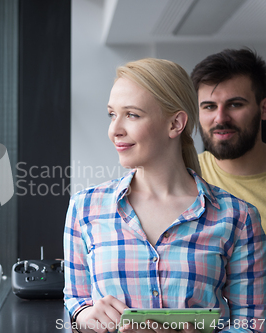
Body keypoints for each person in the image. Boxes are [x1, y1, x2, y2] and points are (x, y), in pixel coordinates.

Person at [63, 58, 266, 333]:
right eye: (112, 114)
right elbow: (76, 300)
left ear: (175, 124)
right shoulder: (84, 208)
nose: (115, 130)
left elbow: (252, 324)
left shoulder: (238, 217)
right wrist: (85, 317)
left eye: (132, 115)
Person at [190, 48, 266, 231]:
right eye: (209, 107)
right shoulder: (184, 174)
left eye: (235, 104)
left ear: (263, 109)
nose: (220, 118)